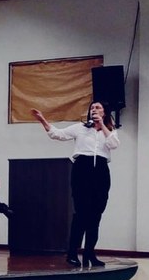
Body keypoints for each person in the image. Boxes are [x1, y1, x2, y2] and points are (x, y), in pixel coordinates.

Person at [31, 101, 120, 268]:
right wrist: (43, 120)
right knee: (81, 213)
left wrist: (102, 125)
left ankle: (90, 253)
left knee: (96, 214)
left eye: (98, 107)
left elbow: (114, 144)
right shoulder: (80, 128)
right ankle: (72, 253)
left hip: (101, 171)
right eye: (92, 108)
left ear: (105, 112)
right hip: (82, 169)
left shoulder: (110, 131)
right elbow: (57, 134)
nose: (94, 109)